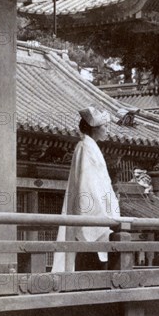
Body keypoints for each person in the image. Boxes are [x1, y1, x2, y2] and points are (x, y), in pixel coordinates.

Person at [52, 107, 119, 272]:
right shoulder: (84, 147)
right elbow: (87, 184)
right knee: (90, 263)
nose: (107, 130)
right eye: (105, 126)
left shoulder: (91, 147)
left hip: (100, 213)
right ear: (94, 128)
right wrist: (102, 212)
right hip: (92, 215)